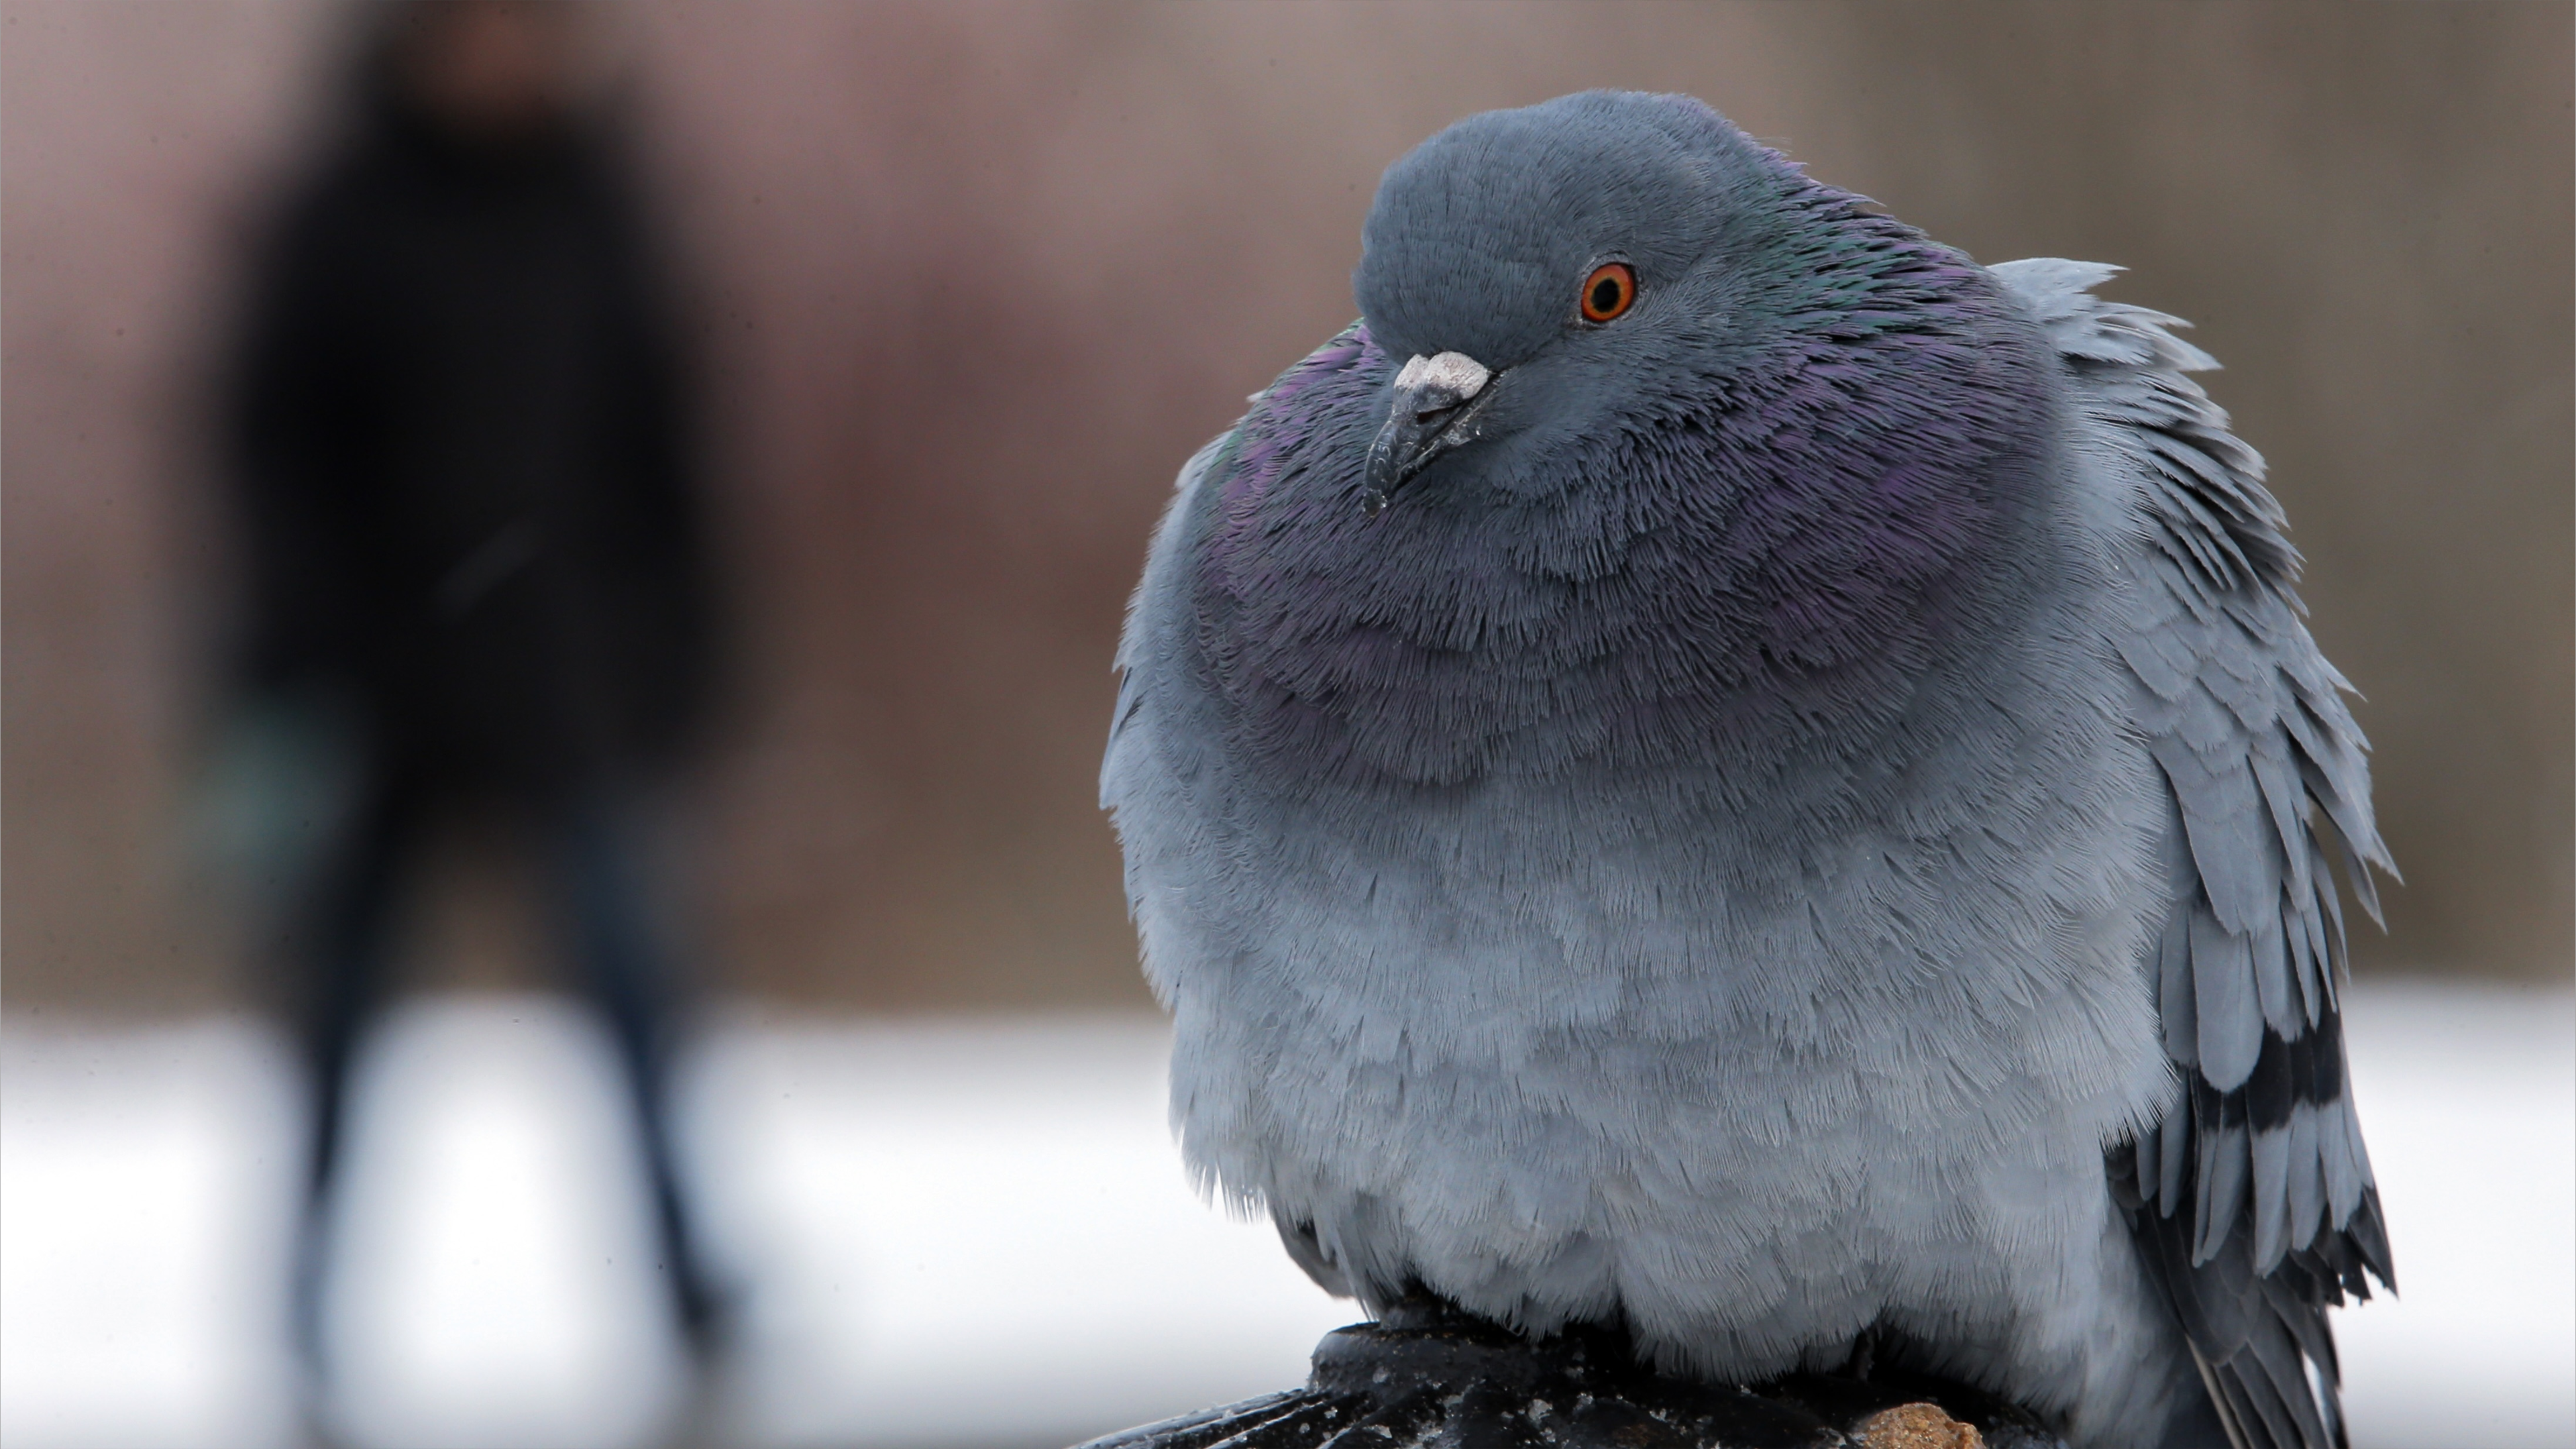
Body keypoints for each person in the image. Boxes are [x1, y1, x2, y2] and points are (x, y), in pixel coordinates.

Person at [221, 0, 727, 1383]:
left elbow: (662, 445)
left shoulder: (590, 205)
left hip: (561, 680)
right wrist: (297, 656)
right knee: (338, 1014)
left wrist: (680, 655)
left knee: (635, 992)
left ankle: (689, 1281)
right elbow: (267, 451)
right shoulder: (339, 212)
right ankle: (307, 1306)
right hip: (376, 691)